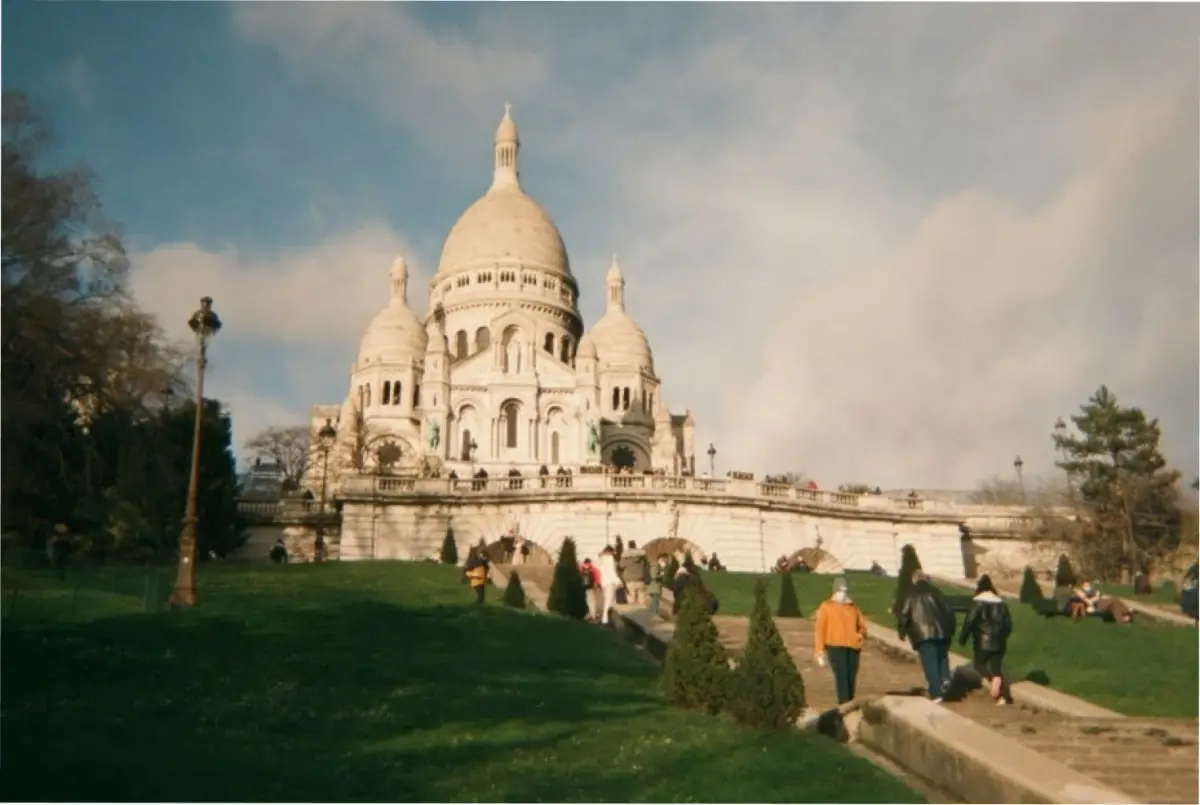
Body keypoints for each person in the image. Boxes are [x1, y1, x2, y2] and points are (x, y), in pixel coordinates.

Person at [897, 570, 957, 703]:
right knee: (942, 657)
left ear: (914, 580)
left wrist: (901, 631)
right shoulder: (937, 592)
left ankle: (936, 692)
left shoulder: (911, 594)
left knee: (930, 663)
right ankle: (945, 678)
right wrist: (951, 629)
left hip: (922, 634)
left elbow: (904, 615)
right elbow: (948, 610)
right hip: (942, 632)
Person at [958, 574, 1014, 705]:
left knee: (979, 664)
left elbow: (969, 621)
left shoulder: (978, 602)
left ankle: (993, 680)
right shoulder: (1001, 603)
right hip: (999, 642)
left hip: (983, 641)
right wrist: (1002, 636)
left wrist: (963, 638)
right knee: (997, 669)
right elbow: (1008, 624)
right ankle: (1004, 697)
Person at [814, 577, 867, 705]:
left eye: (844, 590)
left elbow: (862, 626)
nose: (842, 593)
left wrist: (859, 635)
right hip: (835, 646)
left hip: (853, 647)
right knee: (841, 675)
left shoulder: (853, 607)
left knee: (851, 676)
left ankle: (850, 702)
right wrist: (819, 651)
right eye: (840, 590)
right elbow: (820, 629)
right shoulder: (826, 607)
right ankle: (844, 705)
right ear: (834, 591)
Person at [596, 546, 623, 626]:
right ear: (610, 551)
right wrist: (619, 581)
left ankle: (607, 619)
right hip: (610, 582)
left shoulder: (600, 559)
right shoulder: (610, 559)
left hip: (604, 582)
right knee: (611, 602)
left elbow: (599, 569)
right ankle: (607, 620)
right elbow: (612, 572)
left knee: (607, 601)